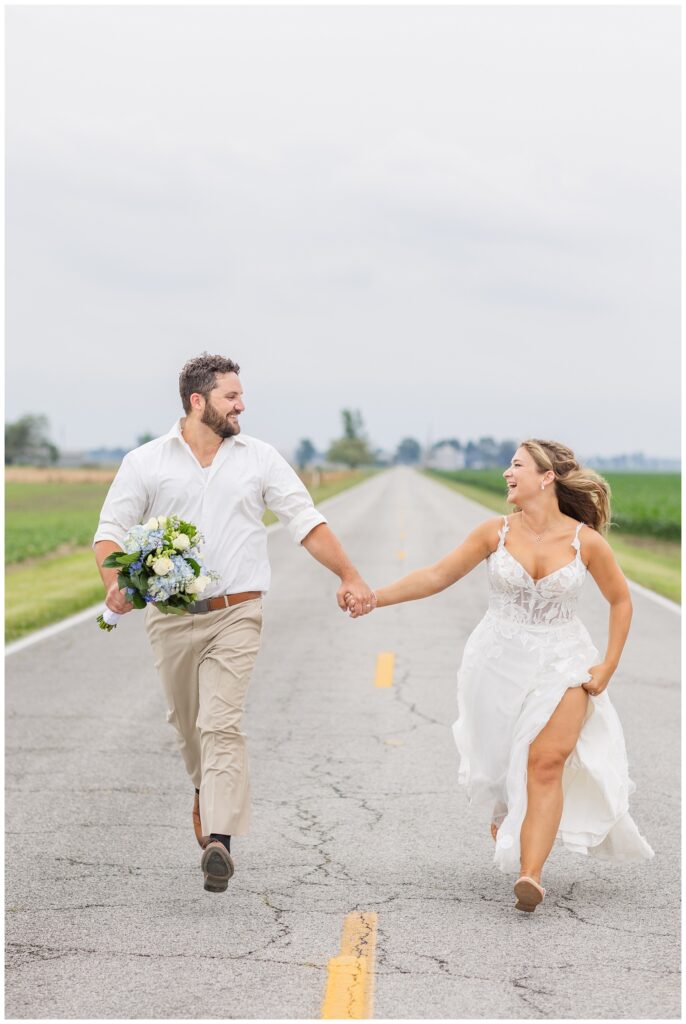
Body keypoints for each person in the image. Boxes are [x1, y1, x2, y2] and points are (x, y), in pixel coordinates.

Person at [93, 353, 375, 894]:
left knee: (221, 723)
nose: (242, 405)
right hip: (170, 619)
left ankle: (220, 839)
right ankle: (207, 793)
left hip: (237, 612)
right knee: (187, 724)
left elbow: (304, 520)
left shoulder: (259, 458)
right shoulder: (145, 462)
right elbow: (111, 531)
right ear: (198, 402)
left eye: (241, 395)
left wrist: (349, 574)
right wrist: (114, 581)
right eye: (231, 396)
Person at [347, 439, 653, 912]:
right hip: (496, 662)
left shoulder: (584, 541)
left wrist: (608, 663)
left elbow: (621, 600)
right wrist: (374, 597)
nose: (507, 474)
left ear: (546, 477)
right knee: (501, 769)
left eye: (516, 466)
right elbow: (436, 576)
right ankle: (507, 814)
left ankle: (531, 875)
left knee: (545, 763)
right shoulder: (494, 533)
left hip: (563, 662)